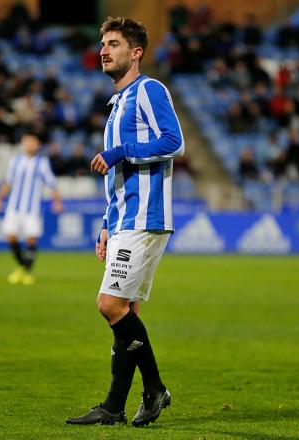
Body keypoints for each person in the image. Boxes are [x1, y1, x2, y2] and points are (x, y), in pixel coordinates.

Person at [66, 16, 184, 427]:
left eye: (113, 43)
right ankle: (115, 406)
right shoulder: (116, 105)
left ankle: (155, 390)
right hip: (123, 221)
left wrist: (121, 151)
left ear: (135, 53)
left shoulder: (148, 90)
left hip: (145, 218)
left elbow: (174, 141)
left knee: (110, 305)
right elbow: (117, 182)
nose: (104, 50)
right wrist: (105, 224)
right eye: (103, 44)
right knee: (126, 312)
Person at [0, 129, 62, 286]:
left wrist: (57, 201)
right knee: (10, 236)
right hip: (14, 207)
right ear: (23, 142)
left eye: (33, 141)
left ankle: (25, 272)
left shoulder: (41, 163)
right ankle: (24, 268)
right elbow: (8, 182)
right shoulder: (15, 160)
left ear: (38, 144)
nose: (30, 144)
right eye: (28, 140)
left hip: (32, 209)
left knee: (31, 239)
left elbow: (52, 183)